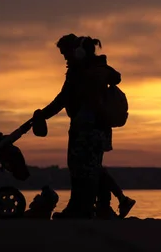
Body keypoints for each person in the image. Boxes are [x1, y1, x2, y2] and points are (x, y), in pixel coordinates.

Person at [32, 34, 119, 219]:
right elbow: (116, 76)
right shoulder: (97, 68)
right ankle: (99, 208)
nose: (65, 58)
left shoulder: (80, 73)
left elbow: (62, 99)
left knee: (81, 170)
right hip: (97, 129)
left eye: (66, 53)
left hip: (86, 130)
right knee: (92, 169)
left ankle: (81, 210)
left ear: (78, 52)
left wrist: (42, 114)